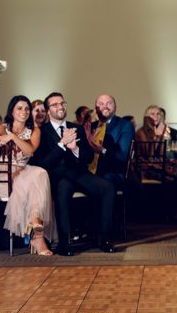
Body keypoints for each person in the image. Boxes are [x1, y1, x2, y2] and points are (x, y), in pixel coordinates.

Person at [30, 92, 116, 256]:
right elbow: (43, 164)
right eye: (55, 105)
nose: (60, 107)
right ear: (48, 110)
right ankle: (64, 243)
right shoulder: (42, 132)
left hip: (79, 175)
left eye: (62, 103)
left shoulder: (77, 128)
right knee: (63, 190)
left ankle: (105, 239)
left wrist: (75, 149)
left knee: (108, 187)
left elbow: (89, 158)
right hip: (58, 177)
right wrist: (62, 145)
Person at [0, 95, 55, 255]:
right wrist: (2, 140)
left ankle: (36, 227)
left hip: (22, 171)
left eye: (27, 108)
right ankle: (37, 236)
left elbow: (30, 150)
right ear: (12, 111)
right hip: (1, 174)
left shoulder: (34, 131)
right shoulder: (2, 127)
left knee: (39, 173)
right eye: (20, 108)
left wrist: (13, 137)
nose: (24, 111)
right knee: (33, 179)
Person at [136, 105, 177, 220]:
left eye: (158, 114)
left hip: (162, 162)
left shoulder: (168, 130)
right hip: (147, 165)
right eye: (152, 114)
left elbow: (174, 149)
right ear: (146, 116)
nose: (156, 116)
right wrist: (160, 137)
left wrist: (164, 136)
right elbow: (151, 154)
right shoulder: (141, 132)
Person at [85, 94, 134, 189]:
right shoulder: (91, 127)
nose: (105, 106)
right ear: (96, 108)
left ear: (115, 107)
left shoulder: (124, 125)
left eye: (109, 103)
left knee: (102, 182)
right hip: (89, 172)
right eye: (101, 103)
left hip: (112, 173)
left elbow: (122, 157)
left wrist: (103, 150)